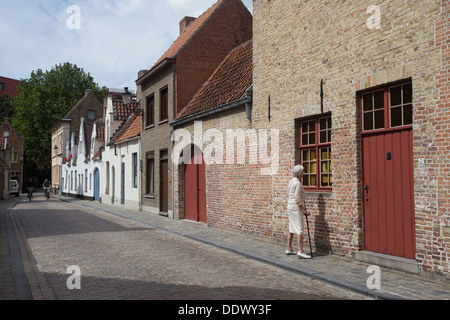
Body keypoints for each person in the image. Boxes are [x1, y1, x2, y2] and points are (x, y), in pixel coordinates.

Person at [286, 165, 311, 259]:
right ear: (300, 173)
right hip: (296, 208)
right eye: (303, 171)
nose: (304, 173)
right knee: (300, 229)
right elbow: (297, 198)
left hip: (290, 206)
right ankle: (300, 251)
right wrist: (304, 210)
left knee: (291, 227)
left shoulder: (291, 181)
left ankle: (288, 248)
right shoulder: (297, 183)